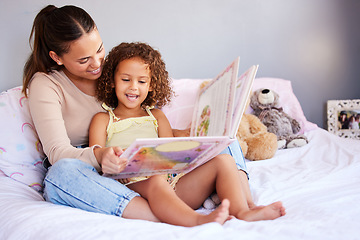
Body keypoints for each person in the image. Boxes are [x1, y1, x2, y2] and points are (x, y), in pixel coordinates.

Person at [22, 4, 284, 224]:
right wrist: (101, 155)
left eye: (100, 50)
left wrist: (199, 135)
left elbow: (161, 136)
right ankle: (176, 218)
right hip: (103, 169)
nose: (98, 64)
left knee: (224, 140)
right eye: (84, 60)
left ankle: (244, 207)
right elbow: (58, 154)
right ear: (57, 57)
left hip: (162, 169)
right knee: (60, 175)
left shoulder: (118, 74)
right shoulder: (47, 85)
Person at [89, 42, 286, 225]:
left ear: (150, 86)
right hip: (131, 189)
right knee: (156, 181)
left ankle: (243, 211)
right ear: (112, 81)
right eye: (125, 79)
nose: (133, 87)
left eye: (141, 81)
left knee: (224, 161)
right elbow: (95, 159)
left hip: (172, 187)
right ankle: (197, 221)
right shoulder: (103, 119)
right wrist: (115, 165)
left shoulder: (157, 116)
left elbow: (169, 154)